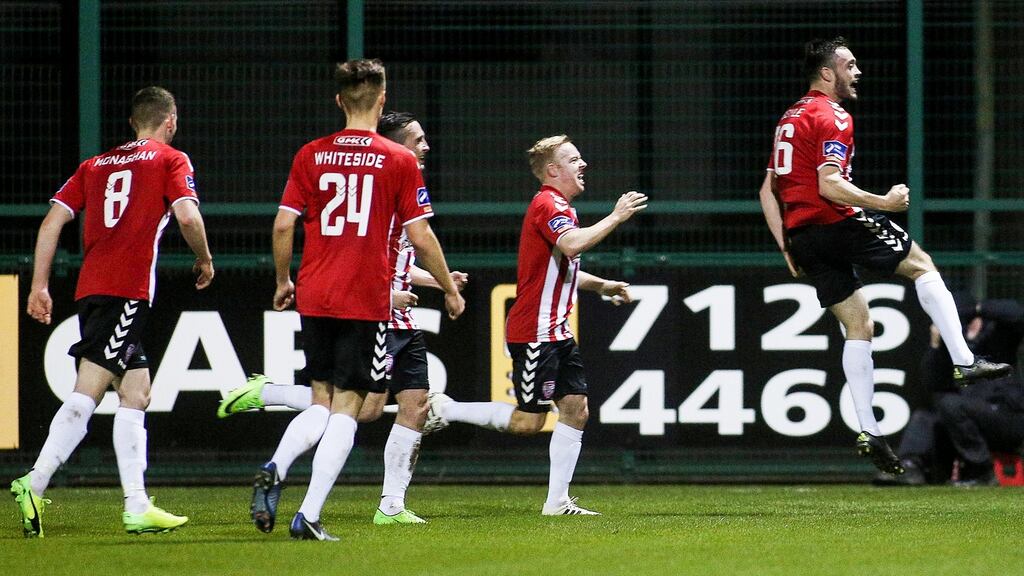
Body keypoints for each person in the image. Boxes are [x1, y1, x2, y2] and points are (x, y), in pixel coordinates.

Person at [758, 37, 1011, 476]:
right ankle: (964, 361)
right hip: (836, 222)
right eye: (850, 65)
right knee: (923, 265)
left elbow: (768, 189)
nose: (857, 72)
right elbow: (829, 184)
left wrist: (786, 245)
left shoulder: (790, 116)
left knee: (859, 325)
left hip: (802, 235)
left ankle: (869, 429)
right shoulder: (833, 115)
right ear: (826, 73)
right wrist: (884, 202)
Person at [217, 110, 467, 527]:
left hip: (398, 320)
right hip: (372, 311)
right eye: (417, 139)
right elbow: (361, 258)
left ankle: (391, 504)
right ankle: (270, 395)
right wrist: (398, 293)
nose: (425, 146)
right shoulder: (386, 175)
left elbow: (403, 256)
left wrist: (440, 282)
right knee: (357, 411)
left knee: (416, 404)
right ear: (394, 144)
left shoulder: (397, 179)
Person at [11, 86, 215, 537]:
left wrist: (40, 285)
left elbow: (52, 221)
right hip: (126, 291)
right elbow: (187, 216)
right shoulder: (170, 158)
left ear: (132, 123)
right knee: (88, 390)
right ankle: (35, 481)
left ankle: (137, 506)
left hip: (92, 290)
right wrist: (204, 258)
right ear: (171, 121)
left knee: (136, 392)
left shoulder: (95, 165)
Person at [435, 134, 645, 516]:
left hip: (557, 332)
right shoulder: (547, 204)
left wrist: (601, 284)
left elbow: (561, 267)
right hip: (535, 332)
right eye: (574, 159)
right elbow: (570, 246)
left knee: (576, 408)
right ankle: (447, 411)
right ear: (553, 170)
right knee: (528, 422)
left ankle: (557, 502)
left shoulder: (561, 207)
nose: (583, 165)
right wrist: (617, 216)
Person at [879, 297, 1024, 486]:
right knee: (926, 414)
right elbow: (931, 381)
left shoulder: (997, 333)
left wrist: (975, 308)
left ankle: (983, 471)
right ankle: (911, 467)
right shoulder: (952, 345)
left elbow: (1016, 313)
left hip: (1006, 416)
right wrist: (936, 345)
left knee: (950, 403)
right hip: (965, 418)